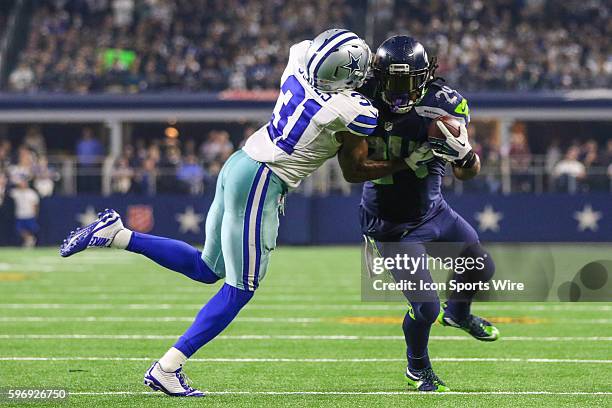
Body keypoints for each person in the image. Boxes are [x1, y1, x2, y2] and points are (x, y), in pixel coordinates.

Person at [59, 29, 413, 397]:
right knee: (241, 288)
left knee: (206, 269)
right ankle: (168, 367)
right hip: (264, 178)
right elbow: (380, 116)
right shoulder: (350, 109)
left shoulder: (298, 62)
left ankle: (117, 234)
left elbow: (306, 47)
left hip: (241, 162)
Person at [358, 36, 499, 392]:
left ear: (425, 76)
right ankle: (417, 368)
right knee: (425, 309)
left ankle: (460, 315)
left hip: (433, 210)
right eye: (393, 80)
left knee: (481, 266)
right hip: (390, 225)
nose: (400, 89)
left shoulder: (443, 104)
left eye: (408, 81)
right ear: (378, 75)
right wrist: (404, 160)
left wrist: (464, 155)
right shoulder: (359, 102)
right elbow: (352, 168)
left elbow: (469, 171)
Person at [10, 178, 40, 248]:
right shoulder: (16, 192)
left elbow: (35, 205)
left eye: (24, 183)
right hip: (20, 214)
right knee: (19, 229)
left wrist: (35, 213)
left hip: (29, 214)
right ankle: (29, 239)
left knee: (33, 229)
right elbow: (8, 192)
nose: (23, 184)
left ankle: (29, 240)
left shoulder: (31, 193)